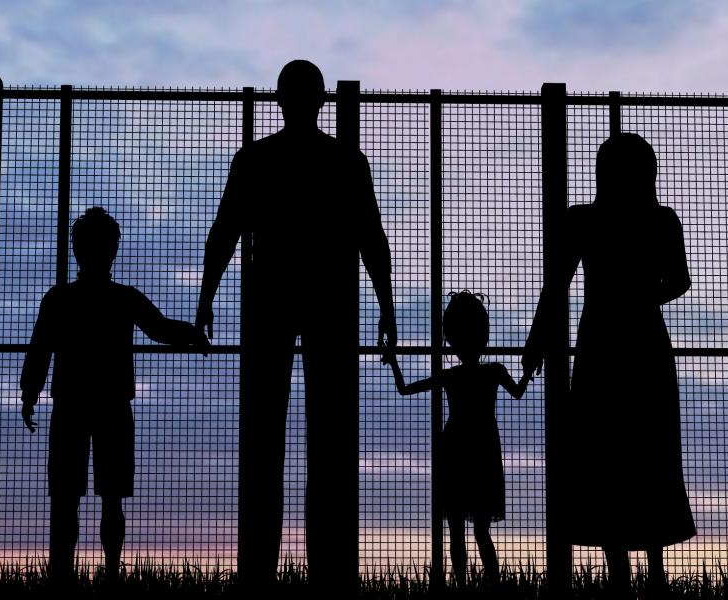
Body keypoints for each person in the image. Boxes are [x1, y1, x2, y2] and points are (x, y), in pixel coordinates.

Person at [195, 59, 396, 594]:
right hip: (329, 301)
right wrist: (387, 304)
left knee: (263, 438)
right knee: (329, 441)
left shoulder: (257, 158)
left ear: (280, 100)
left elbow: (224, 231)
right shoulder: (344, 160)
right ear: (322, 100)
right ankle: (329, 572)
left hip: (270, 300)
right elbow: (372, 238)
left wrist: (206, 297)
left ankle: (259, 571)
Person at [522, 133, 695, 597]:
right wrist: (642, 297)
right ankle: (651, 575)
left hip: (602, 343)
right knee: (645, 452)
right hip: (642, 343)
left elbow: (555, 285)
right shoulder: (659, 219)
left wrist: (537, 340)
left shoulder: (585, 220)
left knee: (610, 452)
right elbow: (679, 280)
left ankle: (622, 574)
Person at [20, 207, 208, 584]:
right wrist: (192, 332)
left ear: (77, 249)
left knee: (66, 497)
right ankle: (110, 575)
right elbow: (159, 328)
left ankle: (62, 576)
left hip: (71, 402)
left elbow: (40, 347)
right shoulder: (123, 298)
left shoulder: (59, 298)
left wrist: (30, 393)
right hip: (112, 403)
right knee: (111, 497)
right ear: (112, 249)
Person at [382, 291, 531, 588]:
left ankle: (462, 586)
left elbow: (404, 389)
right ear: (483, 335)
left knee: (457, 531)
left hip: (455, 448)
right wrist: (529, 368)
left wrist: (394, 361)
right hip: (483, 449)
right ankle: (492, 585)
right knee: (480, 530)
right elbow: (518, 392)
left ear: (451, 338)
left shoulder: (452, 376)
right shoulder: (494, 372)